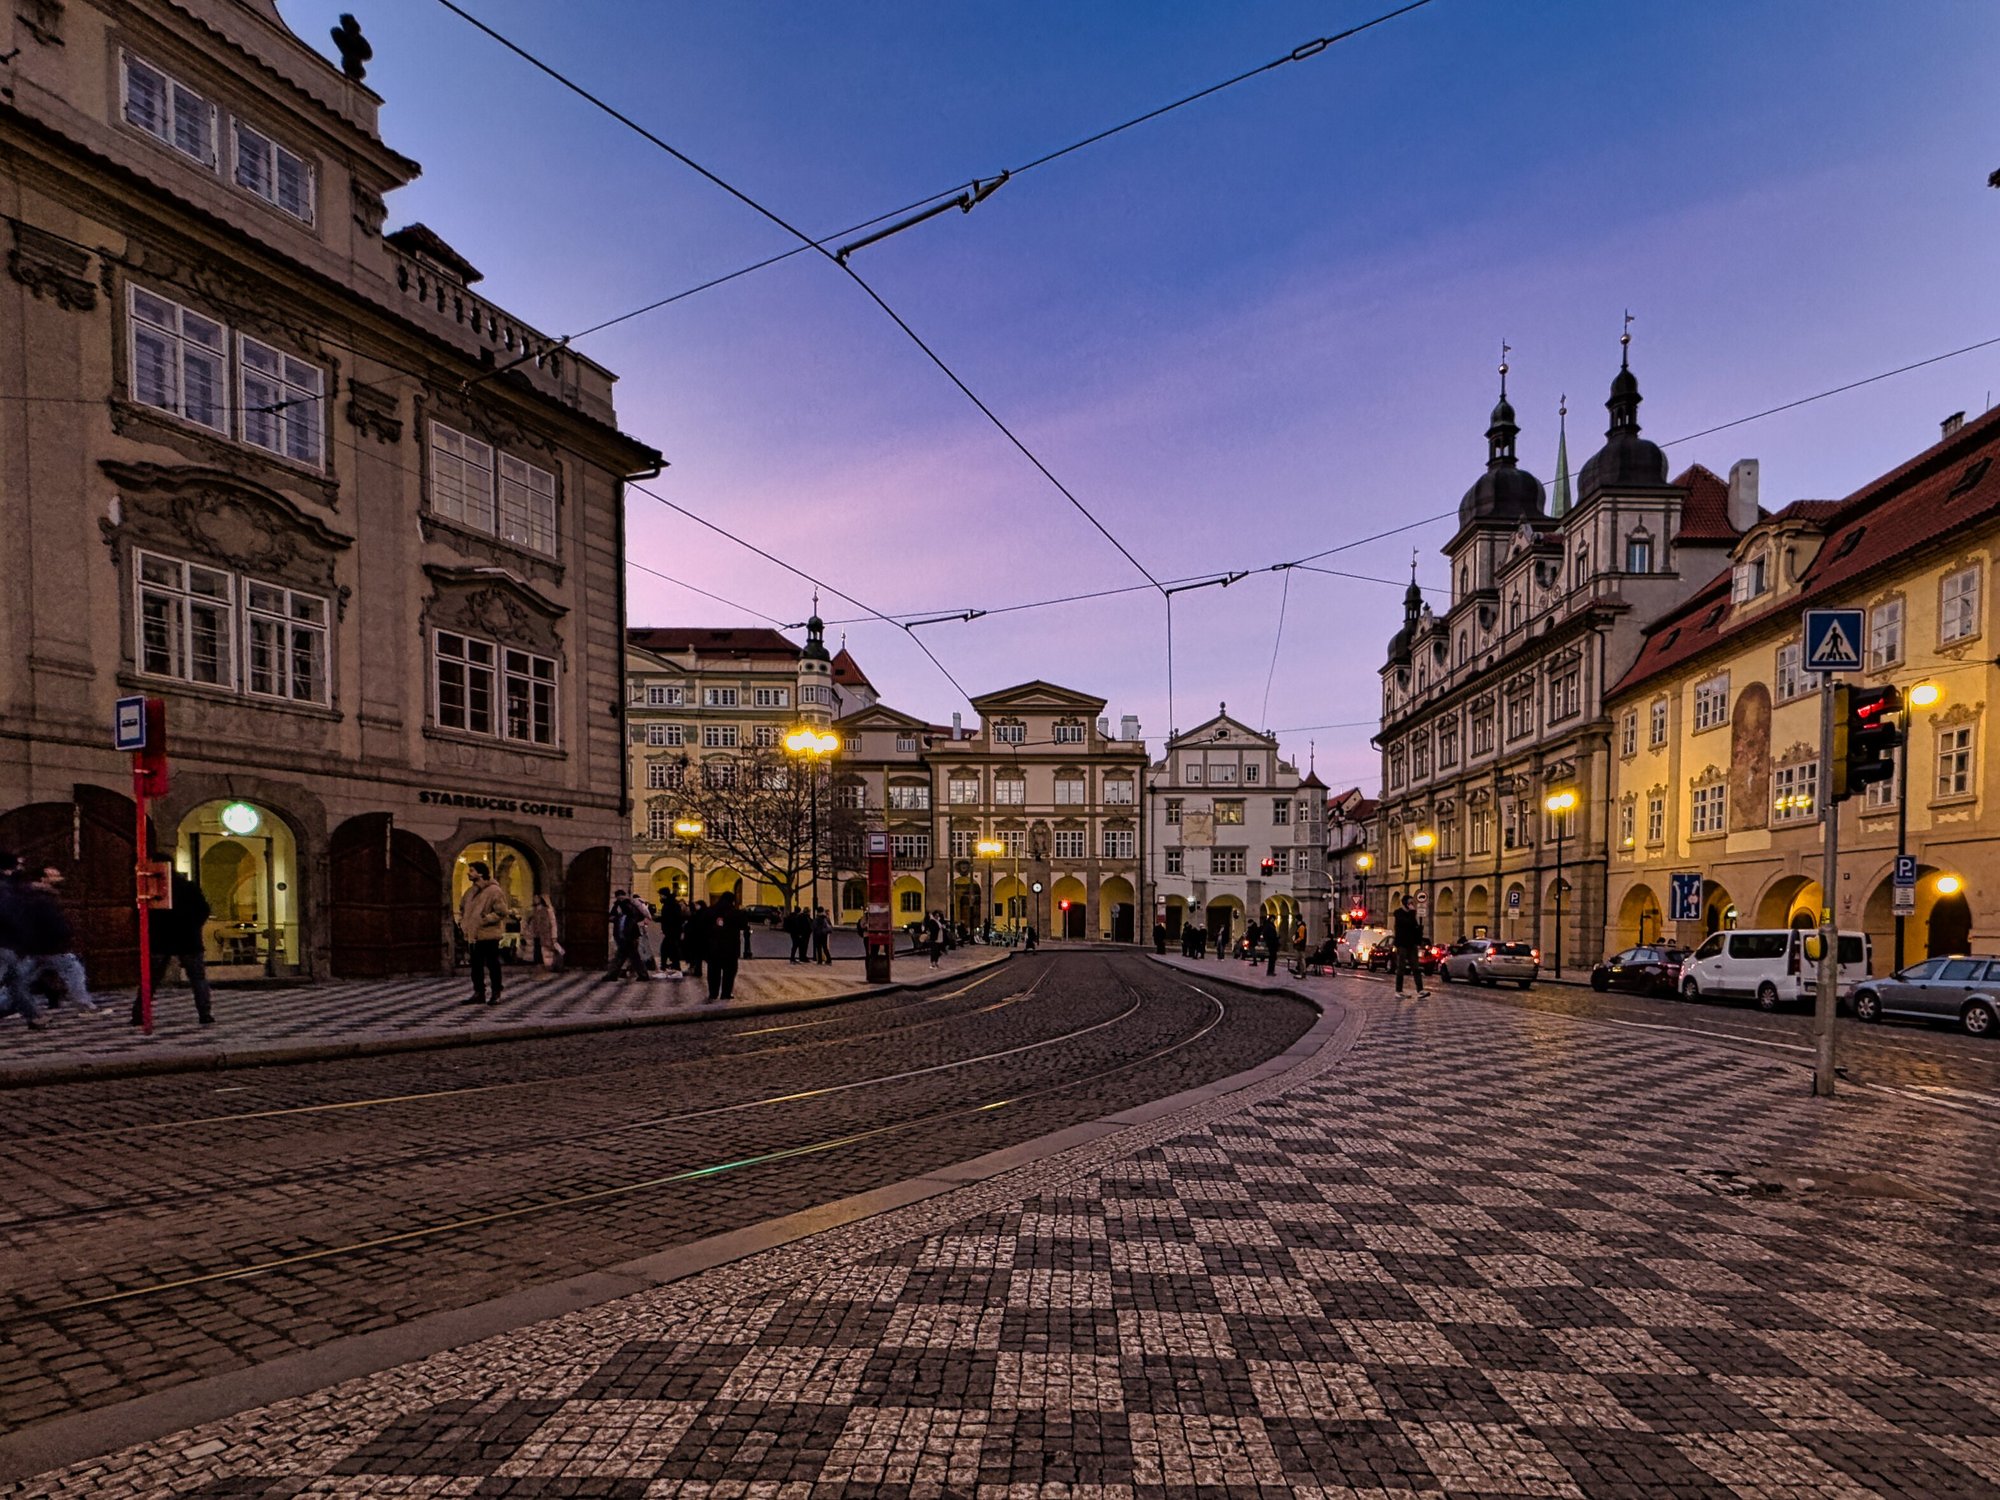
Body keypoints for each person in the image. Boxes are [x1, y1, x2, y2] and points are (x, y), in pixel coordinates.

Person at [7, 865, 95, 1027]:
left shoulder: (24, 895)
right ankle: (85, 1005)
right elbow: (55, 923)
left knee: (19, 979)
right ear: (43, 879)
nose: (59, 879)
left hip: (32, 947)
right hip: (50, 946)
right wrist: (65, 934)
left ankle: (11, 1006)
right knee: (72, 970)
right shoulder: (42, 898)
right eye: (54, 876)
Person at [136, 870, 213, 1026]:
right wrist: (193, 926)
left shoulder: (154, 888)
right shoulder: (188, 887)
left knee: (150, 978)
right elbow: (203, 910)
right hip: (188, 937)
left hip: (162, 937)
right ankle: (205, 1014)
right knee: (198, 979)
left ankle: (139, 1014)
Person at [457, 864, 513, 1004]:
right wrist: (463, 922)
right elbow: (463, 907)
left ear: (480, 873)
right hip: (473, 935)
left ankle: (496, 992)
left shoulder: (494, 891)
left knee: (492, 964)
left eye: (472, 870)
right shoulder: (470, 892)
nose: (468, 873)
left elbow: (502, 912)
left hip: (488, 934)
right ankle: (479, 993)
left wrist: (485, 919)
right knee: (476, 966)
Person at [702, 892, 746, 1001]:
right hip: (730, 948)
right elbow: (743, 925)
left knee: (713, 972)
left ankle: (713, 993)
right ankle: (726, 993)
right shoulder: (735, 913)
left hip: (713, 947)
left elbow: (703, 928)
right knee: (729, 973)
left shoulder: (710, 911)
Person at [605, 888, 652, 982]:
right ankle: (613, 975)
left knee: (626, 957)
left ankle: (613, 975)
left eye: (620, 897)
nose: (620, 899)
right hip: (626, 936)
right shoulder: (623, 908)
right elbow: (612, 917)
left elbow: (635, 917)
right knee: (625, 956)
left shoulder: (628, 906)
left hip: (629, 936)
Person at [1392, 894, 1428, 996]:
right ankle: (1398, 991)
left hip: (1411, 944)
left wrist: (1419, 932)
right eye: (1410, 903)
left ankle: (1420, 990)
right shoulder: (1399, 914)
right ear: (1405, 904)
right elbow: (1406, 924)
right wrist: (1412, 913)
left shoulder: (1412, 915)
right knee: (1401, 967)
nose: (1412, 905)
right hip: (1402, 944)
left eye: (1412, 903)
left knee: (1416, 967)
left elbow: (1414, 927)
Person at [522, 893, 563, 972]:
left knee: (550, 951)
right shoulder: (533, 911)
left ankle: (551, 965)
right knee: (539, 952)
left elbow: (553, 923)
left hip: (545, 935)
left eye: (537, 898)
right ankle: (541, 966)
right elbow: (528, 922)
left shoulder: (548, 910)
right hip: (537, 935)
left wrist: (554, 936)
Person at [657, 888, 684, 975]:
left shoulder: (670, 904)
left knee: (666, 949)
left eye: (660, 895)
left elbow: (670, 918)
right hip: (672, 930)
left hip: (672, 931)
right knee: (671, 949)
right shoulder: (671, 903)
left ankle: (667, 966)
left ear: (664, 895)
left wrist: (658, 919)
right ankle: (673, 965)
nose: (660, 897)